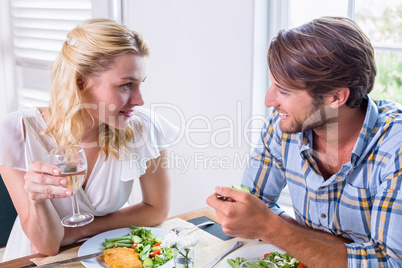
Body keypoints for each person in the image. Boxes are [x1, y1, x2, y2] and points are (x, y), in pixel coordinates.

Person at [207, 16, 402, 267]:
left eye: (284, 90)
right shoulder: (284, 125)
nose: (269, 100)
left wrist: (272, 228)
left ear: (336, 97)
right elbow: (253, 210)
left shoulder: (394, 148)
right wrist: (268, 225)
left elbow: (390, 262)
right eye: (272, 85)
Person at [0, 18, 178, 261]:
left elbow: (157, 209)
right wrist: (38, 200)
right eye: (126, 85)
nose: (139, 100)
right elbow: (47, 246)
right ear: (81, 82)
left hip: (104, 255)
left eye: (140, 84)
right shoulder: (15, 131)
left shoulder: (143, 127)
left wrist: (81, 231)